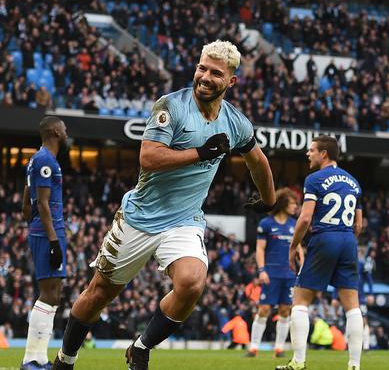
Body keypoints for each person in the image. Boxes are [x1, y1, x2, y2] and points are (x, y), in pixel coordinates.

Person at [52, 40, 277, 370]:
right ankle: (64, 360)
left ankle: (141, 347)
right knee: (99, 293)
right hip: (140, 218)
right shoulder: (171, 106)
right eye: (202, 68)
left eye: (216, 73)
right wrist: (201, 153)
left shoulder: (235, 122)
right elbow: (149, 157)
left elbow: (257, 160)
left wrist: (269, 200)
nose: (205, 76)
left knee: (192, 283)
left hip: (185, 220)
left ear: (231, 81)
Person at [277, 135, 364, 370]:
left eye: (312, 150)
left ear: (324, 154)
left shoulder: (314, 179)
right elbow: (359, 225)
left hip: (325, 236)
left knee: (301, 301)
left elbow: (305, 218)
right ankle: (354, 365)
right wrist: (345, 242)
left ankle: (298, 362)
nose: (308, 154)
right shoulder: (354, 182)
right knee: (352, 306)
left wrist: (294, 245)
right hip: (348, 240)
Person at [20, 116, 69, 370]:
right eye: (64, 129)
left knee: (54, 293)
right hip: (49, 231)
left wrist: (34, 225)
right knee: (49, 293)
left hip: (45, 230)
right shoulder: (45, 161)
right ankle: (32, 358)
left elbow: (26, 203)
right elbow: (41, 203)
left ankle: (38, 357)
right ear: (55, 131)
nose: (66, 132)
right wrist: (51, 239)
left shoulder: (37, 160)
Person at [245, 188, 302, 358]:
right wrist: (262, 270)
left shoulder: (295, 224)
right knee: (264, 309)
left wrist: (302, 267)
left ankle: (279, 348)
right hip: (271, 273)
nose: (296, 207)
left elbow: (299, 249)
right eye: (293, 203)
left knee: (285, 311)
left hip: (289, 274)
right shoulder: (266, 224)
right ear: (283, 203)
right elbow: (260, 249)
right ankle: (253, 347)